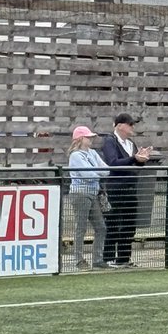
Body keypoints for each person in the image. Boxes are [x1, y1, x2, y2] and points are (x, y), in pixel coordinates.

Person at [101, 112, 153, 268]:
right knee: (113, 224)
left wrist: (141, 159)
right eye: (130, 124)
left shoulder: (131, 144)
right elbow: (113, 163)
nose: (132, 127)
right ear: (119, 126)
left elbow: (135, 164)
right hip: (116, 189)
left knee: (129, 225)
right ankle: (108, 258)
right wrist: (134, 159)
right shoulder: (110, 141)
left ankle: (124, 258)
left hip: (131, 189)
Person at [67, 125, 110, 270]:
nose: (91, 139)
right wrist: (98, 172)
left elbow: (106, 170)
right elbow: (88, 175)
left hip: (93, 193)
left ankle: (97, 260)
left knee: (101, 227)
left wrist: (96, 172)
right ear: (80, 139)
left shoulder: (92, 153)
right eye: (88, 137)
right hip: (80, 193)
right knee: (81, 227)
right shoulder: (75, 155)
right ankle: (78, 260)